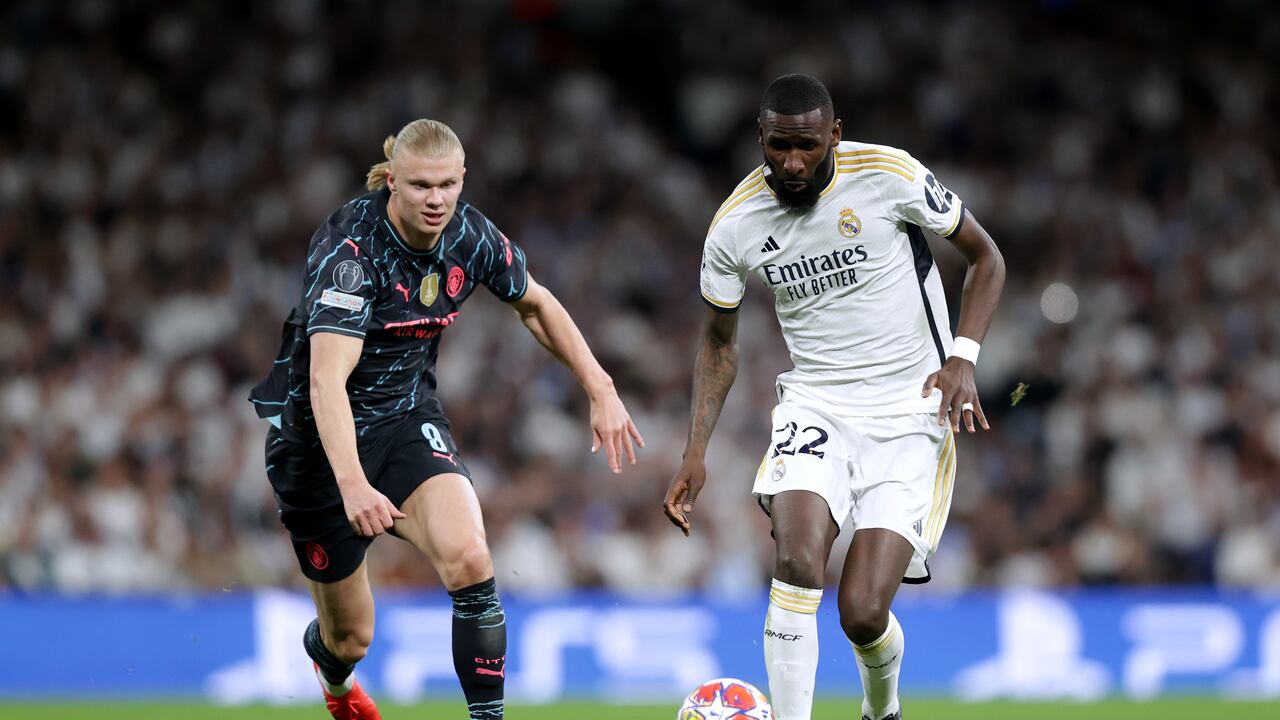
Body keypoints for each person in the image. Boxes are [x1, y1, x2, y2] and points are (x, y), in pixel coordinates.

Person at [250, 118, 644, 720]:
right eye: (419, 187)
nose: (435, 200)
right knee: (351, 639)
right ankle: (332, 676)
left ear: (462, 180)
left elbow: (535, 302)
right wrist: (353, 484)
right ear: (391, 182)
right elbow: (327, 382)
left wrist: (600, 385)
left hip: (406, 422)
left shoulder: (469, 234)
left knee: (470, 558)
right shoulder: (352, 255)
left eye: (447, 185)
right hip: (318, 447)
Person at [663, 75, 1005, 720]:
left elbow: (987, 258)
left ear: (834, 136)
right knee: (795, 560)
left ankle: (884, 711)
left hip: (911, 412)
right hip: (816, 403)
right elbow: (717, 343)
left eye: (808, 147)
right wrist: (695, 448)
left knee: (862, 613)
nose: (793, 163)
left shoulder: (889, 176)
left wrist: (964, 357)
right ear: (760, 139)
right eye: (779, 147)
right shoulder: (735, 226)